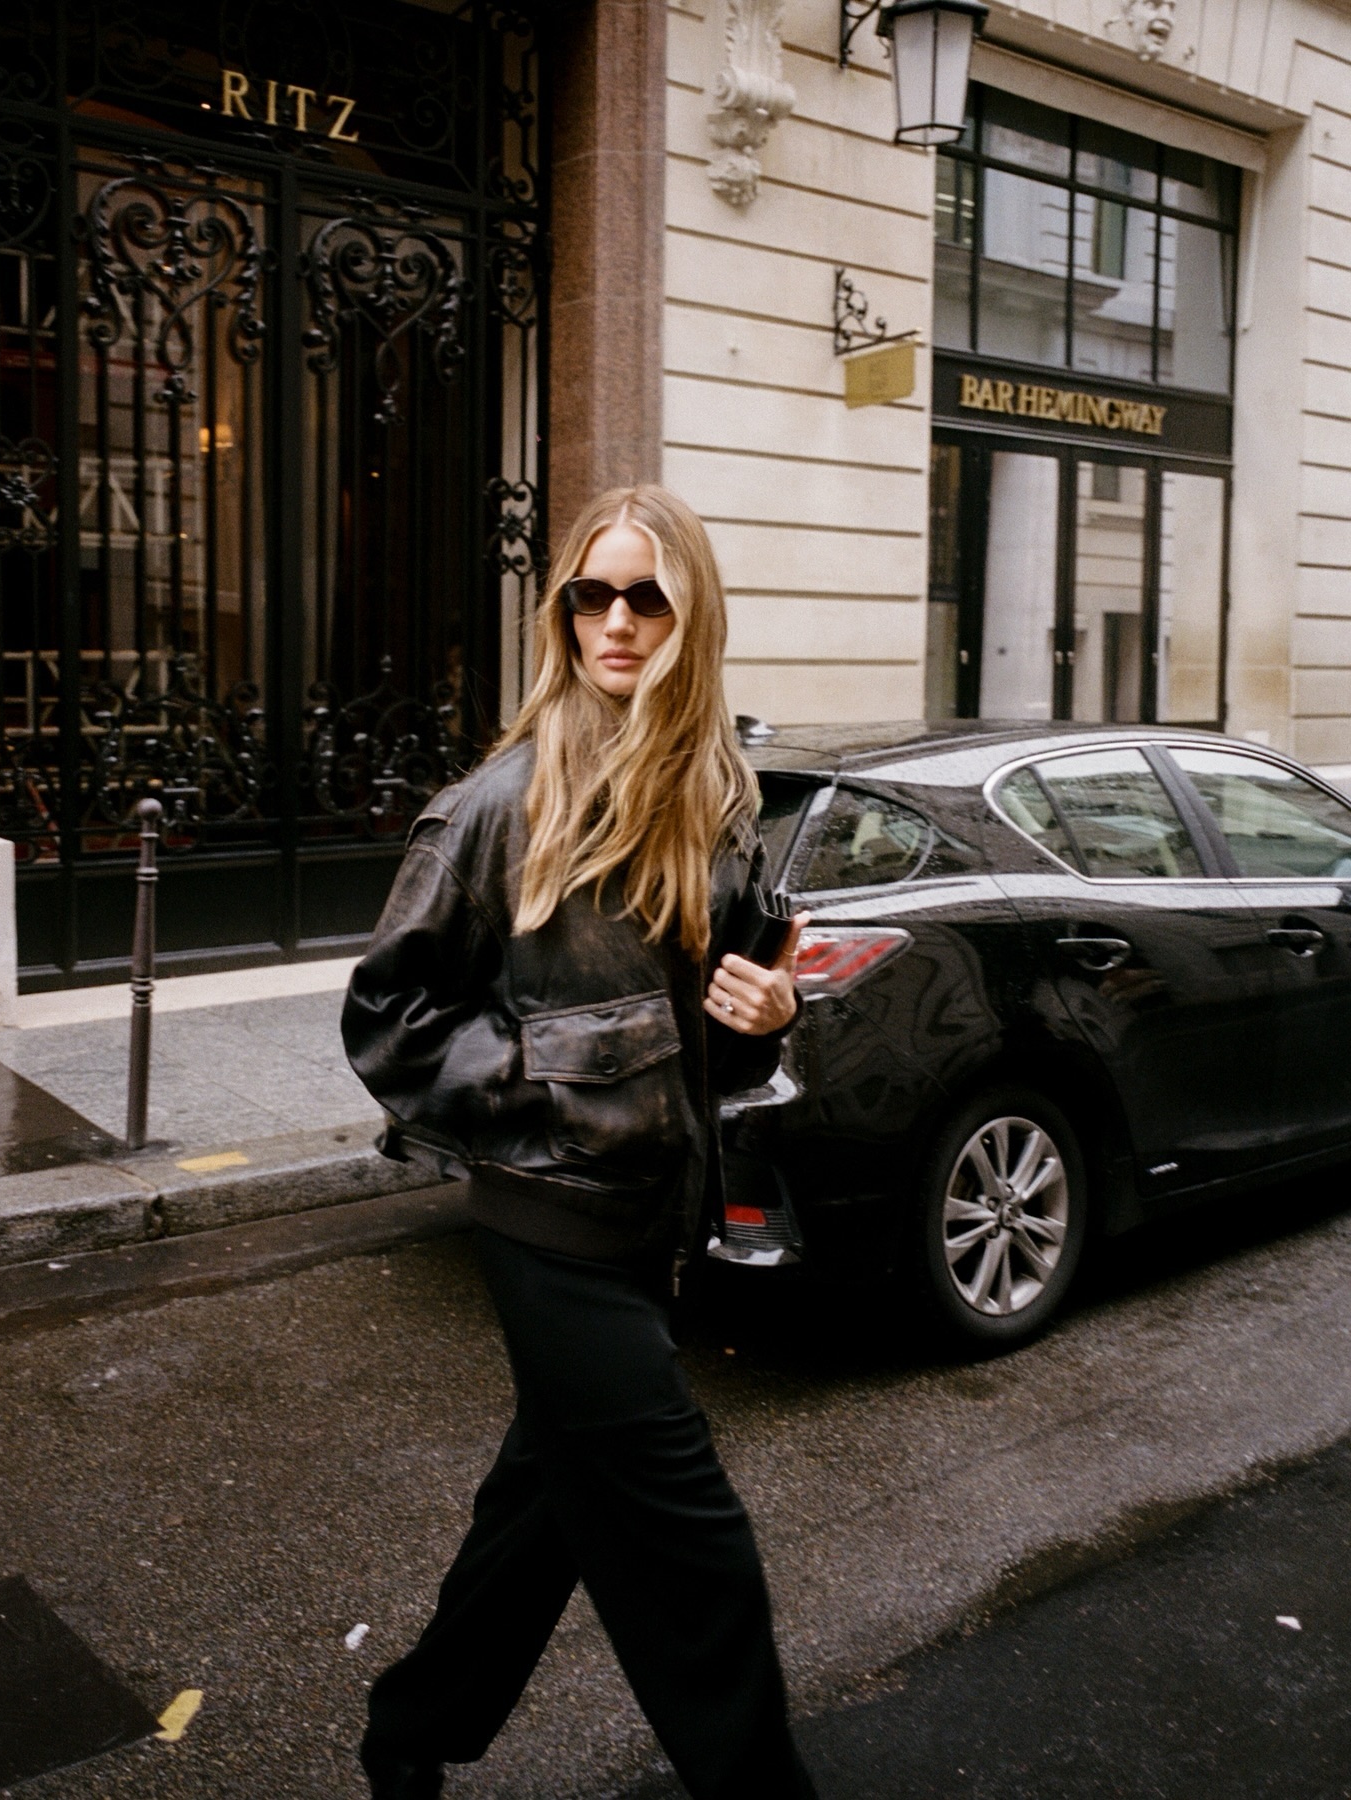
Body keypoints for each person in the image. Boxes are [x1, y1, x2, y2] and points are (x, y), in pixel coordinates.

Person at [341, 483, 818, 1800]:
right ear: (561, 614)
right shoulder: (500, 804)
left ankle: (412, 1728)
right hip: (548, 1226)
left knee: (538, 1520)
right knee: (693, 1557)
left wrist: (766, 1014)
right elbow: (389, 1017)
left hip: (655, 1222)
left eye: (646, 596)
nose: (615, 621)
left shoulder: (713, 795)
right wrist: (556, 1085)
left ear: (691, 615)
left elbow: (706, 1043)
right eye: (590, 596)